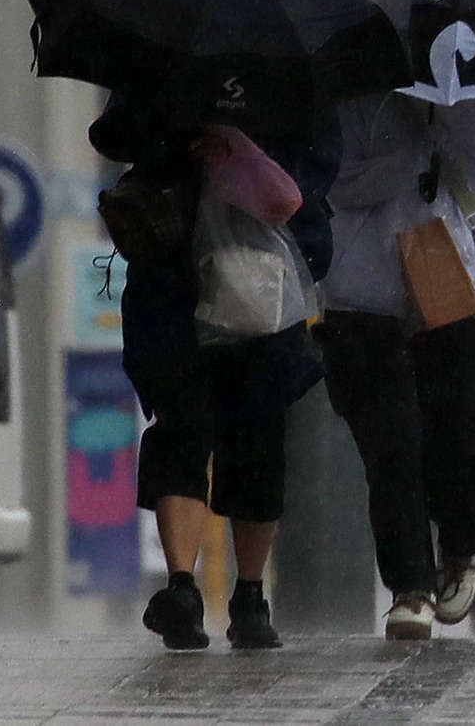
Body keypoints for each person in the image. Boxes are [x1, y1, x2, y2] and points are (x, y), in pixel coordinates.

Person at [89, 91, 338, 651]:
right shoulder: (160, 60)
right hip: (173, 267)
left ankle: (249, 594)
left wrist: (243, 153)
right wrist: (179, 130)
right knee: (182, 424)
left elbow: (315, 171)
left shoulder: (290, 75)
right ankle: (183, 588)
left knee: (256, 429)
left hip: (259, 271)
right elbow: (112, 134)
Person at [314, 90, 475, 640]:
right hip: (363, 293)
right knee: (391, 444)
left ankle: (460, 545)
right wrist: (411, 158)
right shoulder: (340, 85)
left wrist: (445, 106)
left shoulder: (469, 72)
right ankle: (411, 585)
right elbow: (329, 180)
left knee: (468, 430)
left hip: (454, 279)